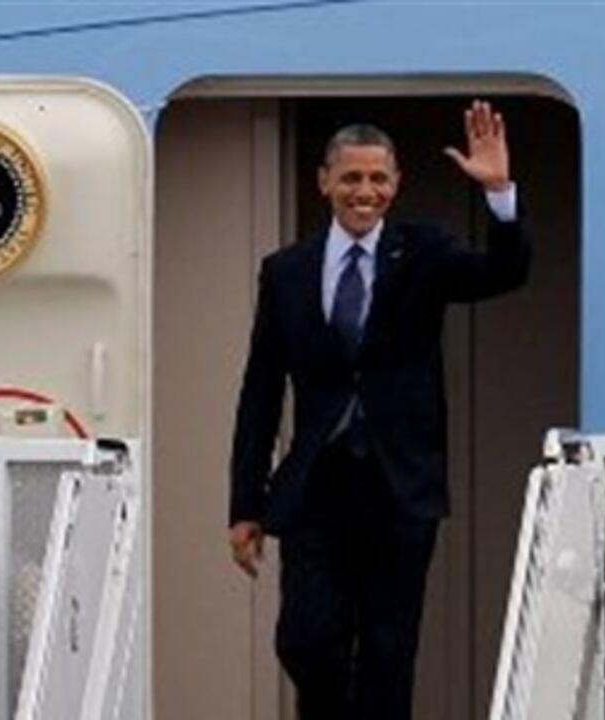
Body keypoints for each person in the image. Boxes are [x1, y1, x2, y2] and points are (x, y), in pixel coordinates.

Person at [227, 100, 531, 720]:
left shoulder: (423, 253)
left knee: (390, 651)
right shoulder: (285, 272)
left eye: (377, 179)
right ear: (325, 182)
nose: (364, 192)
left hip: (400, 486)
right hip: (318, 487)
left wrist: (499, 192)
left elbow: (505, 271)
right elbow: (261, 390)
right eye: (351, 178)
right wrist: (245, 506)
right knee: (307, 641)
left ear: (395, 185)